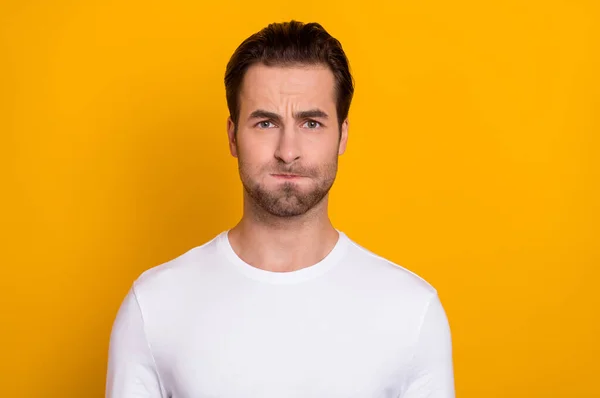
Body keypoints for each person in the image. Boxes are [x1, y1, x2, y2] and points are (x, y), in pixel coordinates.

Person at [106, 20, 455, 398]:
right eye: (266, 122)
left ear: (343, 135)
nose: (288, 151)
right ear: (232, 136)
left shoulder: (410, 312)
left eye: (311, 122)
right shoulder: (155, 307)